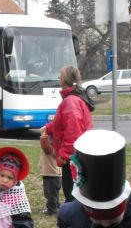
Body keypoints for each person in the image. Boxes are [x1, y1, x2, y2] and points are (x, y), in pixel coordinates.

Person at [40, 66, 94, 203]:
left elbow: (73, 130)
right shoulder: (76, 97)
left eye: (60, 76)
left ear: (63, 79)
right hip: (79, 154)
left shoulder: (70, 101)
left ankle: (76, 223)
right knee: (76, 193)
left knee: (72, 195)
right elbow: (65, 122)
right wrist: (49, 127)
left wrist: (65, 155)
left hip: (73, 158)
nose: (59, 78)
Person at [39, 126, 62, 216]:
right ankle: (56, 206)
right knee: (54, 193)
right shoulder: (59, 146)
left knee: (49, 194)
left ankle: (51, 211)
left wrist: (44, 132)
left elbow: (44, 142)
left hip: (51, 174)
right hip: (56, 174)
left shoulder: (50, 148)